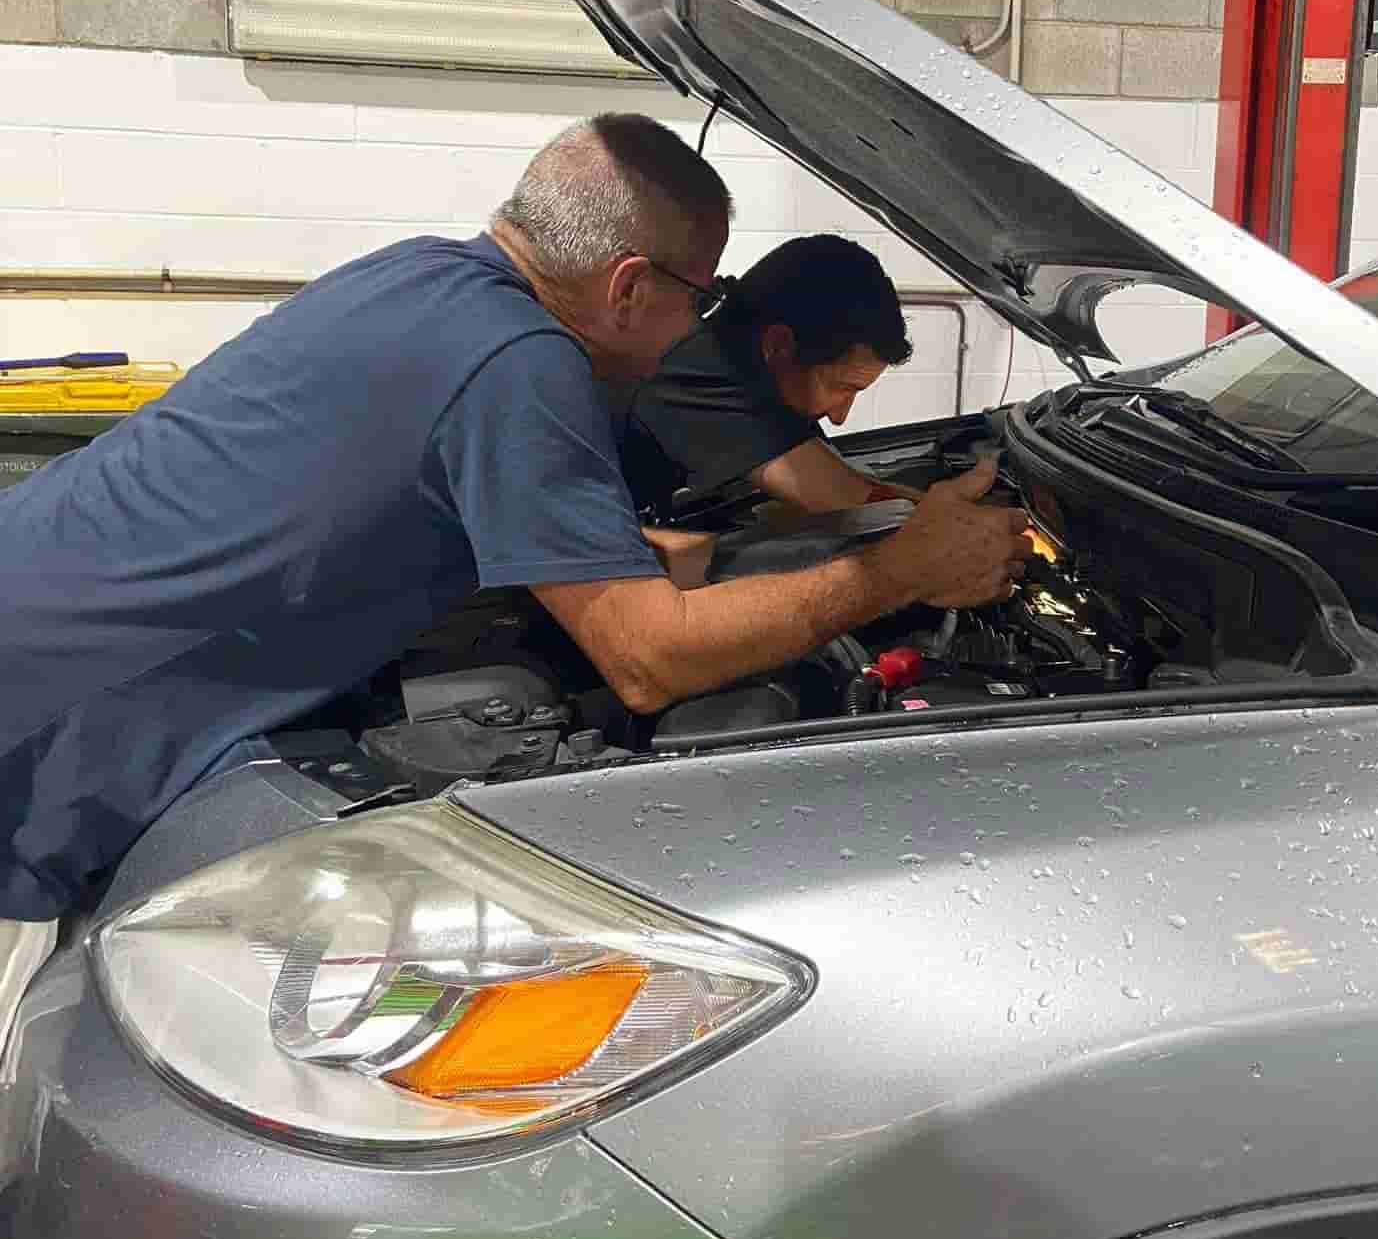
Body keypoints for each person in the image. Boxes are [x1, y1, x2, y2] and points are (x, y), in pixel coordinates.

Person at [0, 113, 1034, 934]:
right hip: (45, 718)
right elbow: (646, 663)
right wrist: (900, 570)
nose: (699, 325)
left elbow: (379, 500)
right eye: (701, 296)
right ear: (631, 286)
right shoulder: (520, 364)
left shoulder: (420, 275)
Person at [619, 235, 920, 523]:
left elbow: (838, 475)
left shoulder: (751, 350)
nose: (839, 415)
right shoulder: (699, 368)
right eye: (841, 388)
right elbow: (851, 498)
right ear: (778, 345)